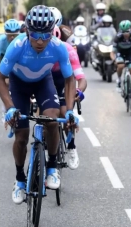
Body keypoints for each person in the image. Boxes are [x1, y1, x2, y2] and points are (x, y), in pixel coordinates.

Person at [0, 5, 79, 204]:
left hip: (43, 82)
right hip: (19, 84)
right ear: (27, 32)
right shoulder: (17, 45)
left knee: (52, 118)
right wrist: (10, 108)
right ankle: (19, 179)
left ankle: (51, 167)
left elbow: (69, 80)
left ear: (52, 32)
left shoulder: (58, 46)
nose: (40, 41)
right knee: (21, 136)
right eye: (35, 35)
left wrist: (70, 111)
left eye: (45, 36)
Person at [51, 25, 87, 170]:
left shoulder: (68, 49)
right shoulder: (37, 51)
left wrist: (78, 91)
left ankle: (71, 147)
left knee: (66, 113)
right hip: (46, 80)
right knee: (46, 115)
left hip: (64, 81)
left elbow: (81, 78)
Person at [110, 20, 131, 105]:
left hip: (130, 54)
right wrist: (114, 60)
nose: (125, 34)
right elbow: (112, 52)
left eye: (127, 32)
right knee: (120, 66)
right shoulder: (117, 37)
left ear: (130, 30)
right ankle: (119, 81)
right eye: (123, 32)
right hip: (120, 53)